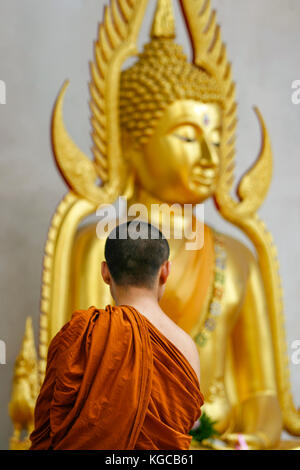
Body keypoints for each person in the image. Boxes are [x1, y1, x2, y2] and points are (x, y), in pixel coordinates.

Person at [30, 220, 204, 450]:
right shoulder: (185, 347)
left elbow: (48, 427)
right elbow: (186, 426)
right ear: (165, 271)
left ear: (105, 272)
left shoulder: (80, 334)